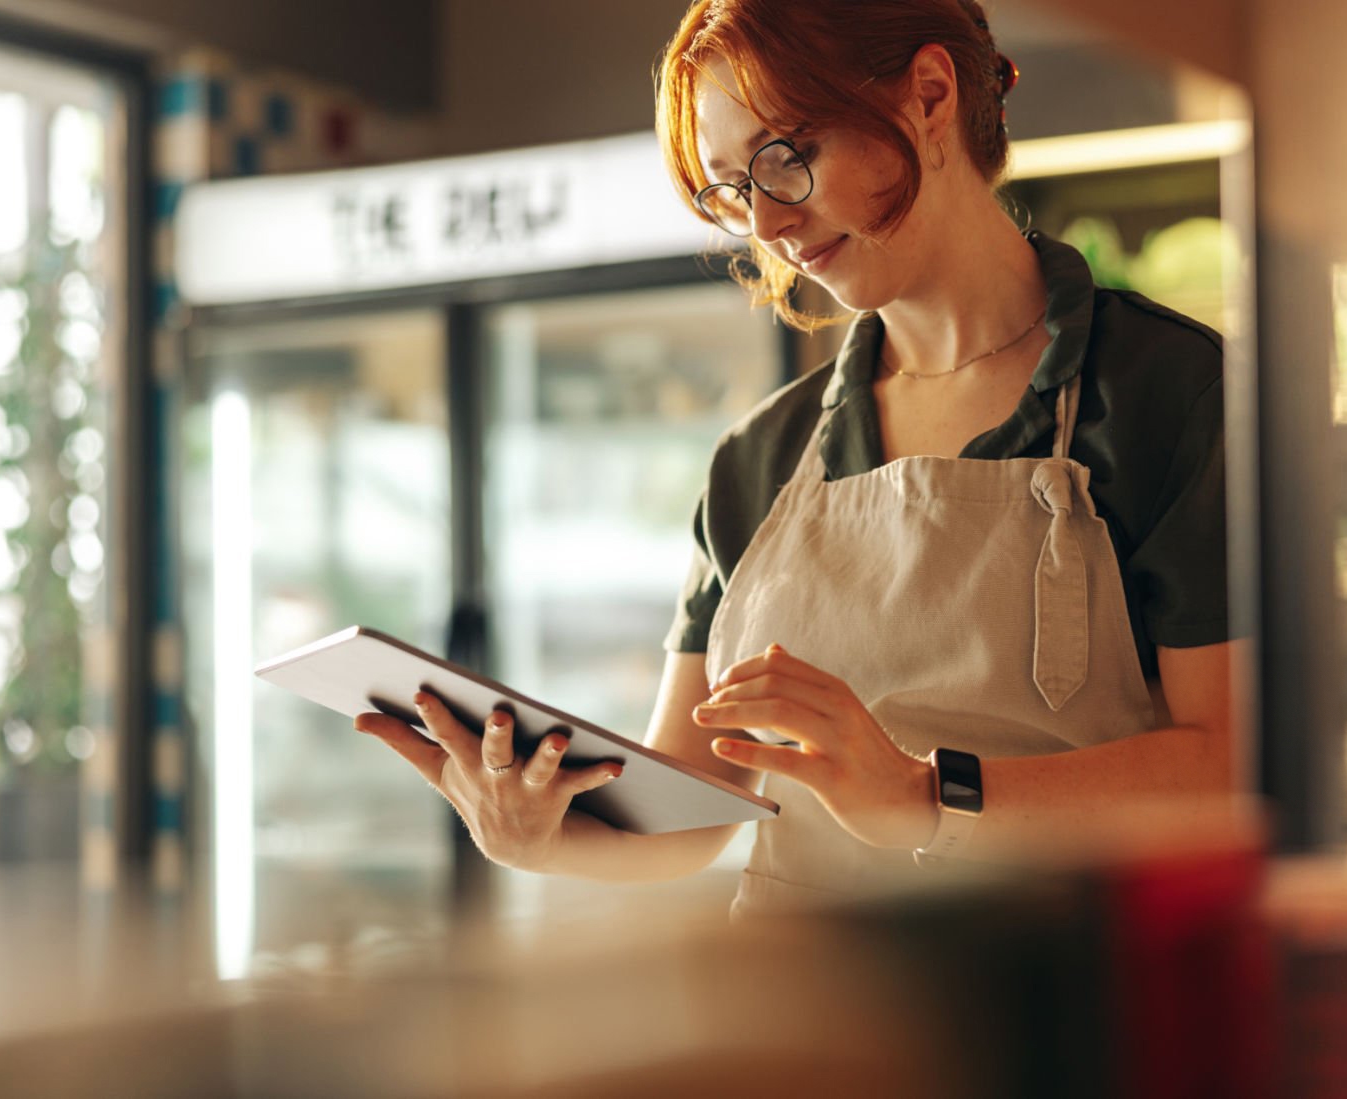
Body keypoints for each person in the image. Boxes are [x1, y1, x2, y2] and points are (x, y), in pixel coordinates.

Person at [354, 0, 1242, 917]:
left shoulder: (1164, 392)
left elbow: (1226, 765)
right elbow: (695, 812)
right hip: (801, 1033)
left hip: (1061, 1023)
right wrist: (542, 834)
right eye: (733, 191)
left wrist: (924, 798)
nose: (769, 226)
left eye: (786, 159)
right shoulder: (759, 459)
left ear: (930, 96)